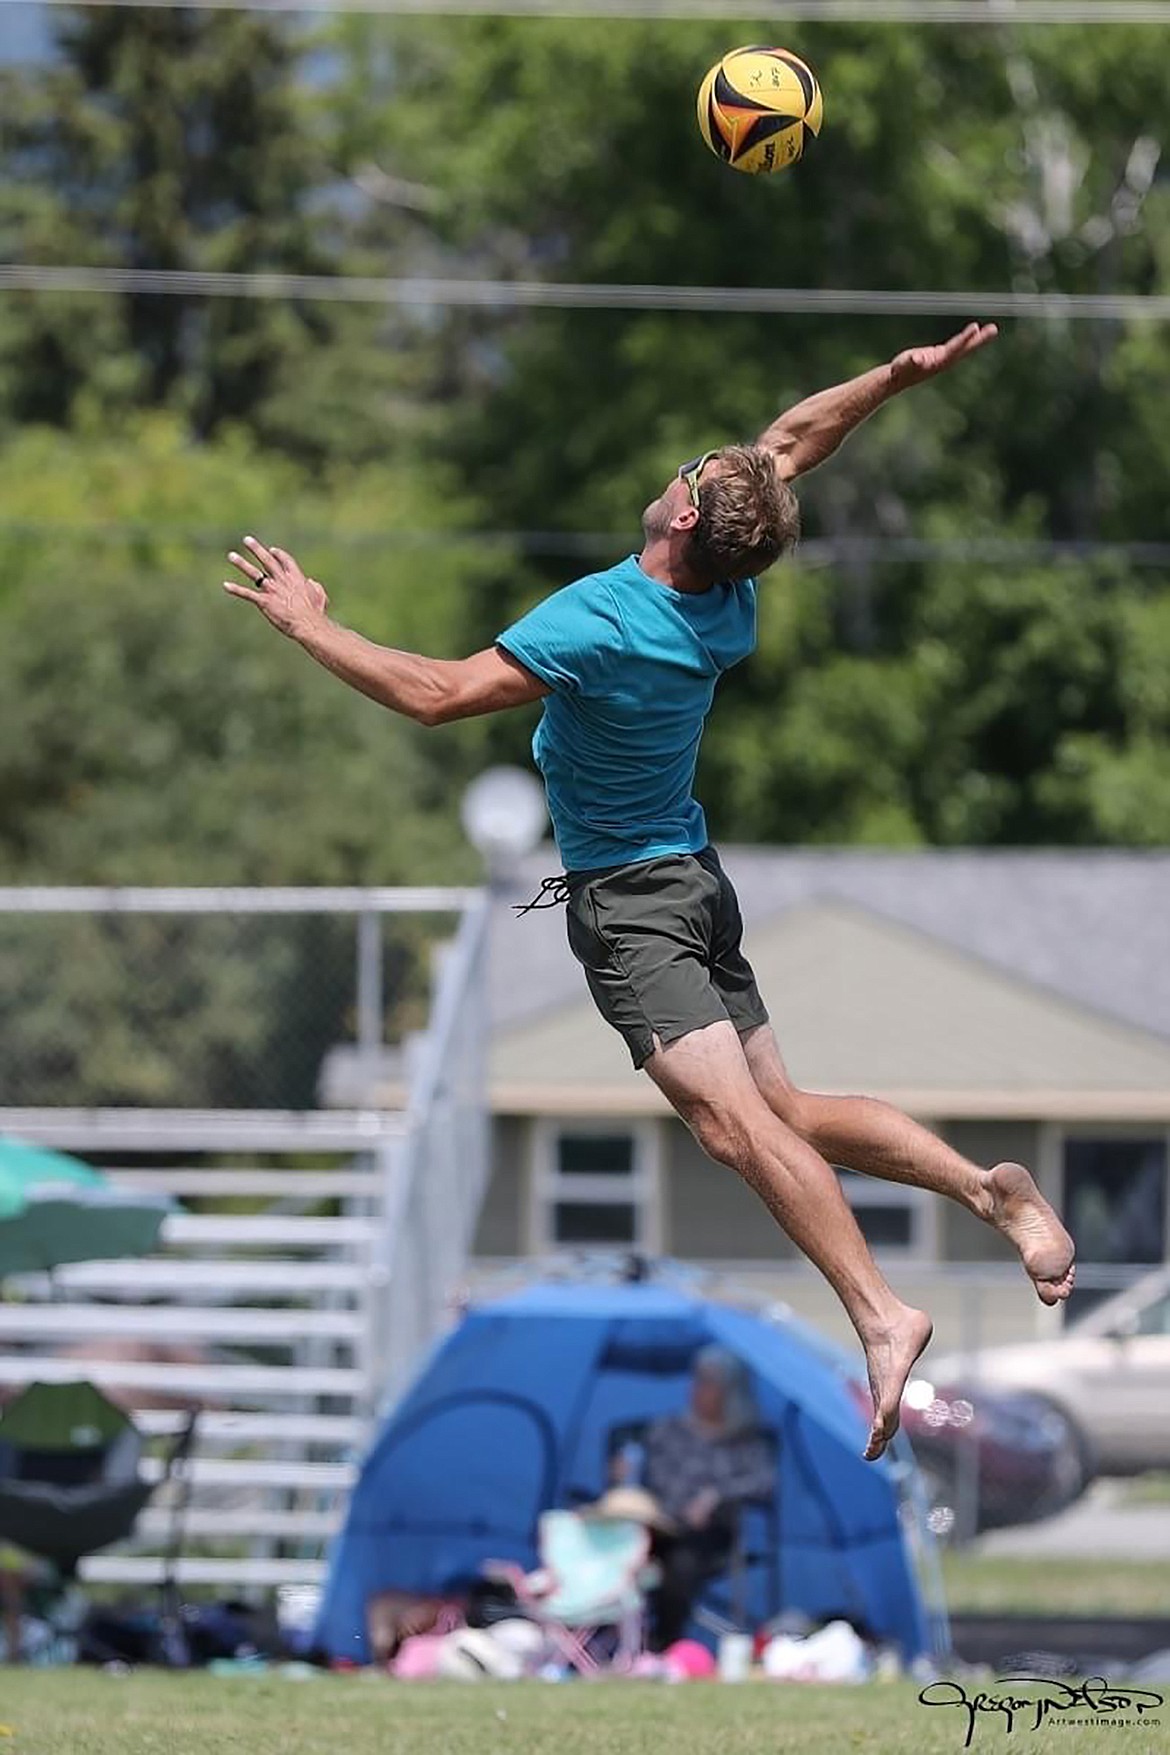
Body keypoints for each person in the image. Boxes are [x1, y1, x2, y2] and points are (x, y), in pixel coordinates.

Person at [223, 323, 1076, 1459]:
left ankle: (882, 1314)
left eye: (688, 474)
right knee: (791, 1117)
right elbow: (793, 442)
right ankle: (986, 1190)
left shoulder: (604, 617)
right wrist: (895, 378)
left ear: (681, 517)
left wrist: (310, 625)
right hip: (696, 879)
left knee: (734, 1133)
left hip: (636, 906)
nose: (686, 471)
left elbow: (433, 693)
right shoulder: (726, 599)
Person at [623, 1347, 774, 1650]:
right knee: (616, 1552)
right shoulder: (666, 1431)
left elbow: (764, 1482)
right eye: (697, 1380)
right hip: (655, 1527)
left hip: (708, 1535)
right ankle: (601, 1645)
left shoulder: (744, 1441)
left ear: (731, 1392)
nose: (698, 1390)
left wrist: (716, 1496)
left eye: (709, 1383)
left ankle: (664, 1645)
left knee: (681, 1564)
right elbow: (648, 1479)